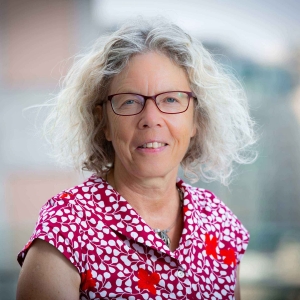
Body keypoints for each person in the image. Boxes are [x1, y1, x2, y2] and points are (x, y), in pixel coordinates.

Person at [16, 17, 256, 300]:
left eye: (171, 99)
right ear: (103, 122)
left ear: (196, 121)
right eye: (130, 101)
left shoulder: (220, 223)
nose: (151, 119)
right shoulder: (66, 229)